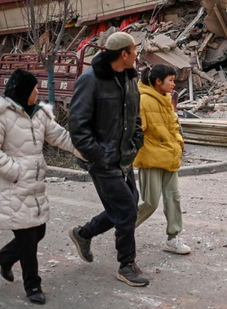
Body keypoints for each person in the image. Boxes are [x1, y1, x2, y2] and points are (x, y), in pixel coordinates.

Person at [67, 32, 149, 287]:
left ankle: (83, 233)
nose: (137, 55)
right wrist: (99, 156)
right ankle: (126, 264)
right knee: (126, 210)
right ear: (123, 54)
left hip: (124, 158)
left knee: (129, 205)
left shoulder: (128, 78)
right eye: (134, 51)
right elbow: (77, 128)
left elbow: (134, 114)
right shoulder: (90, 80)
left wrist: (137, 140)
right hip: (102, 162)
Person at [0, 69, 83, 305]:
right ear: (24, 91)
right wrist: (15, 171)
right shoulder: (3, 115)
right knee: (27, 241)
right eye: (35, 87)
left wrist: (86, 152)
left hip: (35, 187)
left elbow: (61, 137)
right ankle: (32, 286)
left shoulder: (39, 115)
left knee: (39, 232)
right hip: (14, 186)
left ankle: (4, 259)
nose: (39, 91)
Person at [134, 65, 190, 254]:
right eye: (171, 80)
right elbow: (136, 131)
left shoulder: (166, 98)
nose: (174, 84)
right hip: (151, 159)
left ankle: (173, 238)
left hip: (169, 155)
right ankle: (125, 229)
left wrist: (178, 143)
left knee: (173, 198)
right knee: (150, 202)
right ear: (158, 81)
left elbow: (174, 125)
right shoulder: (143, 101)